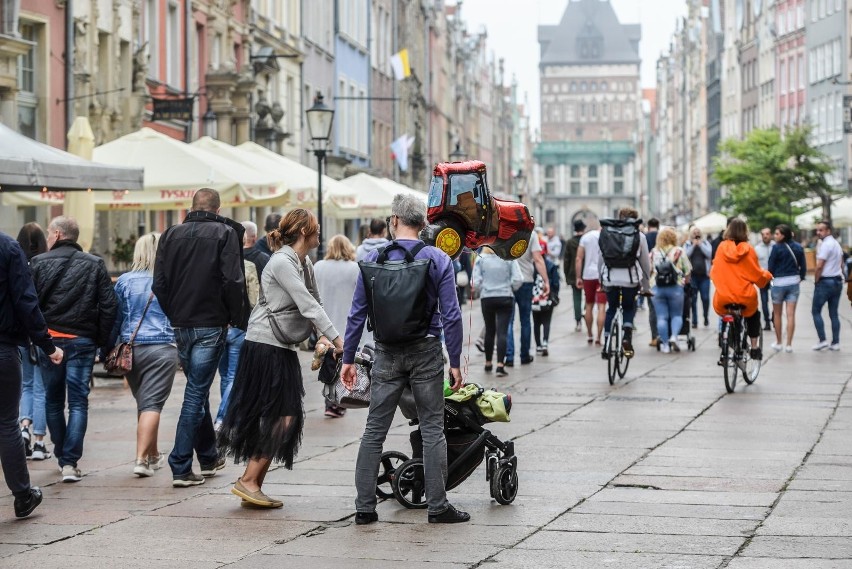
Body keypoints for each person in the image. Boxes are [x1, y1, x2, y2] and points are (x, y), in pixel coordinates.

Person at [343, 193, 469, 525]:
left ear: (394, 220)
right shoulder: (438, 258)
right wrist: (455, 361)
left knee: (374, 430)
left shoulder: (372, 258)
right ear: (423, 223)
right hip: (426, 351)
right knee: (432, 429)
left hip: (385, 352)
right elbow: (452, 315)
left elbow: (357, 315)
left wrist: (347, 359)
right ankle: (438, 507)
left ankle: (365, 507)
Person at [217, 209, 342, 508]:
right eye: (316, 228)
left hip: (280, 345)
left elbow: (316, 301)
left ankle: (253, 484)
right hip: (265, 344)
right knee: (283, 415)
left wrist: (324, 336)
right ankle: (249, 480)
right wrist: (339, 339)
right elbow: (307, 303)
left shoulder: (303, 261)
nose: (319, 232)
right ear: (303, 232)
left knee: (282, 414)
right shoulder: (282, 261)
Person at [153, 188, 250, 487]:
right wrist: (239, 318)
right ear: (218, 209)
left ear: (192, 206)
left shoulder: (170, 235)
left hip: (181, 323)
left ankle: (208, 456)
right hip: (211, 322)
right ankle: (180, 464)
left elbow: (159, 283)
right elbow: (234, 280)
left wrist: (174, 314)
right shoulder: (224, 234)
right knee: (195, 393)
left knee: (198, 388)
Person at [31, 216, 118, 483]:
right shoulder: (94, 264)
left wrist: (36, 338)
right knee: (79, 402)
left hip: (50, 342)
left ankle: (62, 455)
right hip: (82, 341)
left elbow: (30, 304)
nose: (47, 237)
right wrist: (102, 342)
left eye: (48, 233)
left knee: (53, 400)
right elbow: (108, 305)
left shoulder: (37, 263)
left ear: (57, 234)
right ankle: (70, 461)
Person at [0, 230, 63, 518]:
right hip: (2, 346)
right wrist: (46, 344)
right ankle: (23, 495)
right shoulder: (8, 248)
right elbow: (26, 301)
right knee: (6, 423)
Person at [113, 233, 179, 477]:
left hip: (130, 349)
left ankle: (152, 454)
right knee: (152, 404)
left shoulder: (124, 281)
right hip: (162, 348)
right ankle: (141, 460)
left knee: (145, 402)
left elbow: (115, 316)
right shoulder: (171, 279)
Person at [215, 225, 261, 430]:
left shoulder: (215, 263)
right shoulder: (248, 266)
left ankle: (229, 414)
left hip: (218, 325)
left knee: (225, 375)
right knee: (233, 375)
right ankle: (223, 417)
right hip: (239, 325)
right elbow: (255, 300)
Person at [710, 219, 771, 361]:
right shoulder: (749, 249)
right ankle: (755, 348)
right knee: (753, 315)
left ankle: (727, 340)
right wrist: (767, 276)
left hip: (724, 297)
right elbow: (756, 273)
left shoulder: (721, 247)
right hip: (745, 296)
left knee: (727, 314)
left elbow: (714, 271)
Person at [313, 234, 361, 418]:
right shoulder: (354, 268)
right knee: (343, 363)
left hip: (325, 323)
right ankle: (336, 402)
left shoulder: (319, 267)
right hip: (347, 322)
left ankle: (331, 400)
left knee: (328, 364)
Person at [15, 223, 50, 460]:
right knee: (41, 388)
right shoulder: (46, 264)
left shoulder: (15, 264)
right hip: (42, 331)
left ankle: (24, 427)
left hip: (20, 334)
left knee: (25, 385)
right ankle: (39, 442)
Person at [598, 208, 652, 359]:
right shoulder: (639, 235)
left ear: (620, 217)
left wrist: (601, 280)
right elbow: (645, 263)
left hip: (610, 278)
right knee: (629, 306)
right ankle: (627, 335)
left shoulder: (607, 232)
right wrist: (646, 286)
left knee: (611, 309)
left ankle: (607, 343)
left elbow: (600, 259)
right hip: (630, 279)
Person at [472, 247, 522, 377]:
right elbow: (518, 279)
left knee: (489, 330)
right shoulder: (509, 258)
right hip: (505, 296)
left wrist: (482, 288)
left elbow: (475, 282)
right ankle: (500, 365)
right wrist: (510, 287)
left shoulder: (481, 258)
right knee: (502, 332)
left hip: (487, 297)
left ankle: (488, 362)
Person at [505, 231, 550, 366]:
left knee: (509, 321)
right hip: (526, 281)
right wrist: (546, 281)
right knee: (525, 320)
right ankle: (524, 355)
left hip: (509, 281)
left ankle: (509, 357)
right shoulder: (531, 233)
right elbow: (537, 258)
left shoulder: (504, 229)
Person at [650, 227, 692, 354]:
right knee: (677, 315)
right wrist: (686, 282)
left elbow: (649, 270)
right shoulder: (679, 251)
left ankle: (665, 345)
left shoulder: (654, 251)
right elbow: (688, 270)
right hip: (675, 287)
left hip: (657, 288)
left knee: (661, 317)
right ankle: (674, 336)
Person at [767, 224, 806, 353]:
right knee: (791, 315)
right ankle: (789, 344)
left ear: (783, 235)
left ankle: (779, 342)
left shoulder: (776, 248)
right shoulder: (799, 247)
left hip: (778, 283)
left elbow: (770, 267)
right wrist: (800, 277)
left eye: (777, 233)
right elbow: (803, 266)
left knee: (777, 314)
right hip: (793, 282)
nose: (775, 236)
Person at [811, 220, 844, 351]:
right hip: (837, 281)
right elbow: (841, 263)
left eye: (821, 230)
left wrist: (816, 280)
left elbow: (819, 265)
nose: (818, 232)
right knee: (834, 313)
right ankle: (835, 342)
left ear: (828, 231)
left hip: (825, 281)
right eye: (817, 230)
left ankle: (822, 340)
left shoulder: (826, 244)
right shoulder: (836, 244)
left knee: (815, 311)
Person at [576, 224, 607, 346]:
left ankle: (589, 334)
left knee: (588, 305)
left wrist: (578, 277)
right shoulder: (606, 237)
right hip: (602, 275)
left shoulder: (585, 237)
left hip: (588, 275)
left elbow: (579, 258)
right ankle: (599, 337)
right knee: (602, 307)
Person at [684, 226, 712, 327]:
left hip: (705, 276)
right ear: (691, 234)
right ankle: (694, 321)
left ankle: (705, 316)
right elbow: (685, 255)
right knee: (693, 300)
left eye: (698, 232)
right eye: (694, 232)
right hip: (692, 277)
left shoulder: (705, 243)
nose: (696, 234)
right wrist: (693, 246)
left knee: (705, 298)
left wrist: (700, 245)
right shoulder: (687, 244)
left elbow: (709, 254)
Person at [533, 256, 560, 357]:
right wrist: (555, 294)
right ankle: (545, 342)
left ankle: (538, 345)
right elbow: (556, 283)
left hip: (535, 299)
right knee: (546, 322)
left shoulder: (533, 265)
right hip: (547, 298)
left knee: (536, 323)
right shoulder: (551, 265)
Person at [563, 220, 586, 332]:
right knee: (589, 297)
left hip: (573, 273)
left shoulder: (570, 242)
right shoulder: (586, 241)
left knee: (576, 298)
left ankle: (578, 322)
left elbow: (566, 260)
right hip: (587, 273)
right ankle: (586, 311)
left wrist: (566, 274)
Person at [645, 218, 661, 346]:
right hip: (666, 278)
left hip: (651, 277)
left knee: (652, 309)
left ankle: (654, 337)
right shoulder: (662, 237)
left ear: (648, 226)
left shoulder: (644, 237)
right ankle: (665, 335)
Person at [755, 227, 774, 331]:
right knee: (764, 300)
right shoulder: (757, 248)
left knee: (776, 299)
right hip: (763, 278)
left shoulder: (775, 246)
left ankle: (775, 317)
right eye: (763, 234)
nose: (765, 236)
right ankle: (767, 321)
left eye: (767, 234)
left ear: (770, 235)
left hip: (774, 278)